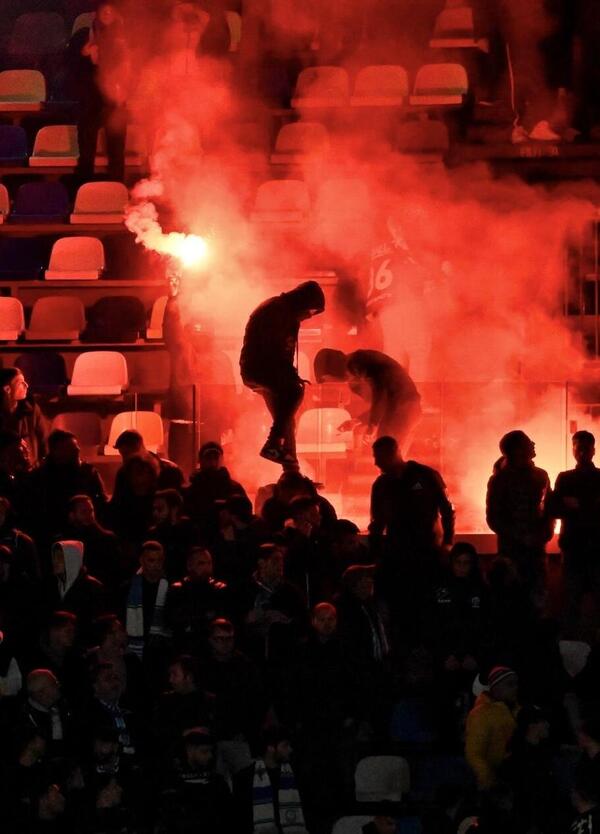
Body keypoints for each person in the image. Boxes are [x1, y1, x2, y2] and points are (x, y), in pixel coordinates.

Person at [369, 435, 454, 636]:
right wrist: (376, 555)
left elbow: (447, 510)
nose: (376, 462)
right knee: (401, 606)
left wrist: (448, 542)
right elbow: (377, 522)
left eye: (379, 457)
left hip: (427, 551)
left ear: (394, 453)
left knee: (429, 602)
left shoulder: (426, 475)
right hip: (397, 555)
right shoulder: (381, 485)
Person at [240, 280, 325, 467]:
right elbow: (274, 350)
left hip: (263, 370)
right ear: (304, 302)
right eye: (311, 311)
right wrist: (291, 377)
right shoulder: (277, 311)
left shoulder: (283, 311)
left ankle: (291, 469)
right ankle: (273, 444)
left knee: (285, 419)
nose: (310, 316)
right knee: (294, 392)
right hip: (262, 369)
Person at [314, 347, 421, 451]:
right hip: (408, 409)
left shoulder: (357, 361)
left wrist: (373, 424)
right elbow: (382, 402)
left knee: (387, 455)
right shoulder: (356, 373)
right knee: (394, 459)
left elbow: (380, 392)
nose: (332, 383)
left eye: (326, 380)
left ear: (332, 369)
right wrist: (356, 421)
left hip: (403, 409)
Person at [486, 430, 553, 594]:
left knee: (535, 598)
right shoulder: (499, 480)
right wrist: (521, 536)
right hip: (511, 551)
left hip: (535, 550)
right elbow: (493, 517)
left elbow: (549, 509)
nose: (533, 444)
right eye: (529, 442)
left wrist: (544, 535)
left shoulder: (541, 475)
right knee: (511, 598)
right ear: (518, 450)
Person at [76, 0, 130, 182]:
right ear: (97, 13)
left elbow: (131, 67)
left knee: (116, 145)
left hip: (115, 98)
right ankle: (84, 186)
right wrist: (84, 54)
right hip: (91, 99)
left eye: (111, 9)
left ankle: (117, 185)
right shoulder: (84, 35)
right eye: (103, 9)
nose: (107, 12)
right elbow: (72, 67)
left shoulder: (125, 37)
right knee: (86, 144)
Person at [552, 430, 600, 627]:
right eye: (579, 448)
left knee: (572, 604)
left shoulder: (566, 479)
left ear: (593, 450)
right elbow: (553, 508)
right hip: (578, 549)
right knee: (571, 605)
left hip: (584, 549)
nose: (582, 452)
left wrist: (573, 505)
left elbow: (554, 508)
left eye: (585, 448)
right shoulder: (565, 478)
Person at [29, 430, 108, 548]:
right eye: (70, 449)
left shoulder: (88, 473)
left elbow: (101, 501)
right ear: (56, 451)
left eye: (76, 448)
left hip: (88, 530)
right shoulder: (40, 478)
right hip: (54, 535)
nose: (77, 451)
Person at [465, 666, 520, 791]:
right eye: (510, 684)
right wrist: (489, 780)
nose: (515, 688)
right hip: (495, 781)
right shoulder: (481, 714)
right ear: (496, 687)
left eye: (516, 684)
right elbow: (474, 753)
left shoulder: (518, 711)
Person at [166, 546, 232, 651]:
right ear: (190, 566)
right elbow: (172, 621)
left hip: (213, 648)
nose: (207, 567)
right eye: (201, 563)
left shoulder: (220, 589)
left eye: (209, 563)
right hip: (185, 645)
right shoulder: (177, 590)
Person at [43, 541, 107, 639]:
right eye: (54, 557)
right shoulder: (51, 585)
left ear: (72, 559)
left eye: (60, 557)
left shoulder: (92, 587)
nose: (55, 561)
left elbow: (96, 623)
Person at [184, 441, 248, 537]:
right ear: (201, 460)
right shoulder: (192, 490)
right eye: (209, 458)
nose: (213, 461)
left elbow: (245, 515)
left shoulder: (234, 488)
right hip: (200, 537)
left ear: (222, 459)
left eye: (216, 457)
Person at [123, 541, 171, 669]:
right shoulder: (128, 588)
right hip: (136, 647)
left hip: (163, 649)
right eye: (151, 560)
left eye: (159, 560)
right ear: (141, 561)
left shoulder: (172, 588)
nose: (156, 565)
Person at [61, 494, 122, 591]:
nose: (89, 515)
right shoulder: (65, 542)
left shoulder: (107, 539)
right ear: (72, 515)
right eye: (84, 512)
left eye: (91, 511)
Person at [148, 488, 199, 582]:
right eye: (154, 509)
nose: (155, 513)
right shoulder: (153, 534)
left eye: (159, 509)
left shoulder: (189, 530)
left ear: (174, 509)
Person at [0, 367, 47, 465]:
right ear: (7, 389)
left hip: (32, 471)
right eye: (21, 383)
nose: (26, 385)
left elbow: (44, 441)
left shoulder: (32, 410)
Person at [113, 429, 184, 491]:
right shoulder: (123, 475)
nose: (124, 460)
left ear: (139, 448)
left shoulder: (171, 471)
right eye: (122, 455)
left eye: (126, 454)